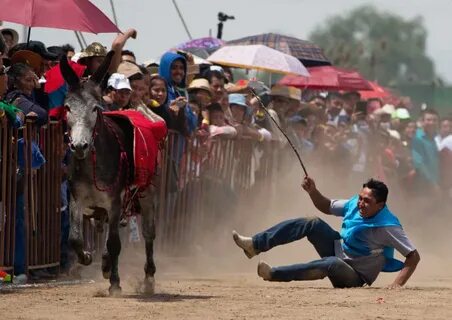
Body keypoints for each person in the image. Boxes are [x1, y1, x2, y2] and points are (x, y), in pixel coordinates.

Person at [232, 177, 420, 288]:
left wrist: (397, 284)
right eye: (361, 198)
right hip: (338, 250)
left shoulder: (388, 226)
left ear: (380, 205)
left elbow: (413, 256)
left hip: (355, 276)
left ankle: (274, 274)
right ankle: (255, 245)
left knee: (331, 263)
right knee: (312, 222)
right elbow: (327, 206)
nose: (361, 203)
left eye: (367, 201)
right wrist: (313, 191)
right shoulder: (355, 204)